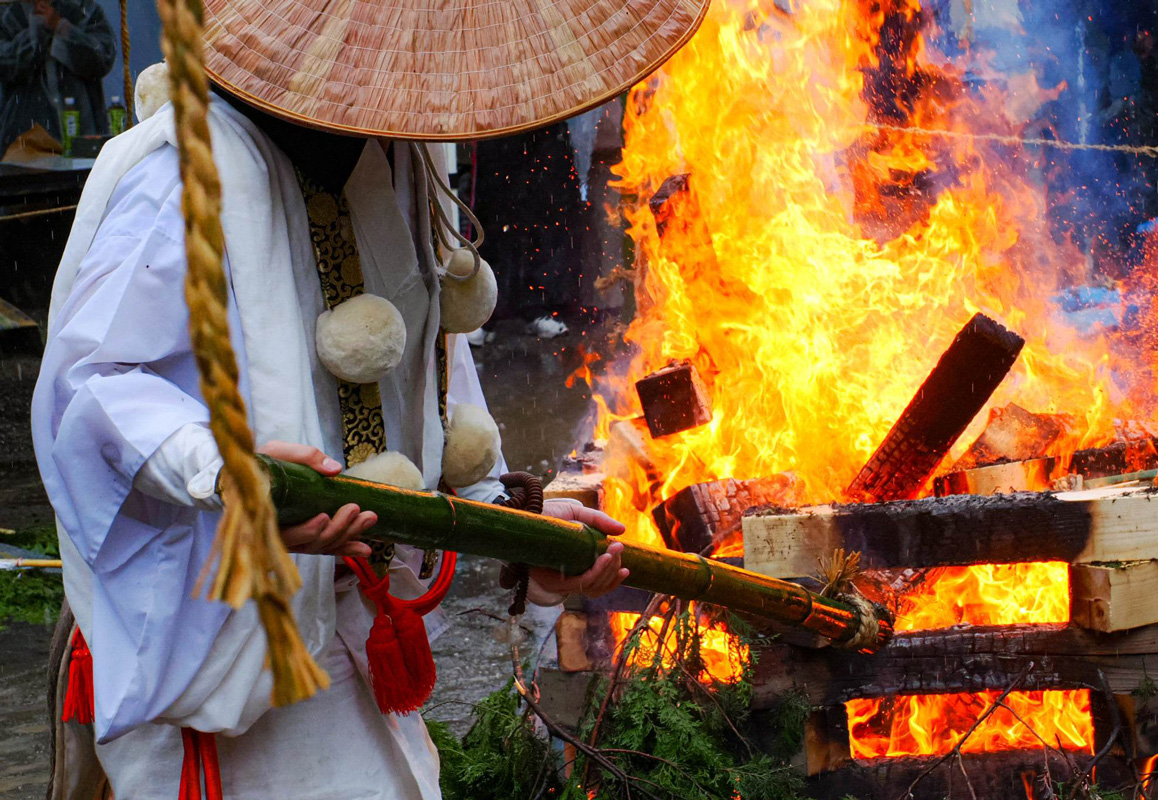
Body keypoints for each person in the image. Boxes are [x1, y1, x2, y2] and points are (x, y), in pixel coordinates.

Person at [30, 1, 708, 797]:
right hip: (227, 661)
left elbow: (433, 373)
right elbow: (95, 389)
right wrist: (231, 476)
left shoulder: (398, 157)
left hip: (347, 638)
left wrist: (519, 529)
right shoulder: (180, 172)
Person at [0, 0, 115, 154]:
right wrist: (35, 33)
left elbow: (102, 58)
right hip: (22, 147)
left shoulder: (85, 10)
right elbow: (6, 64)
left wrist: (61, 27)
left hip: (83, 141)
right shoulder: (7, 15)